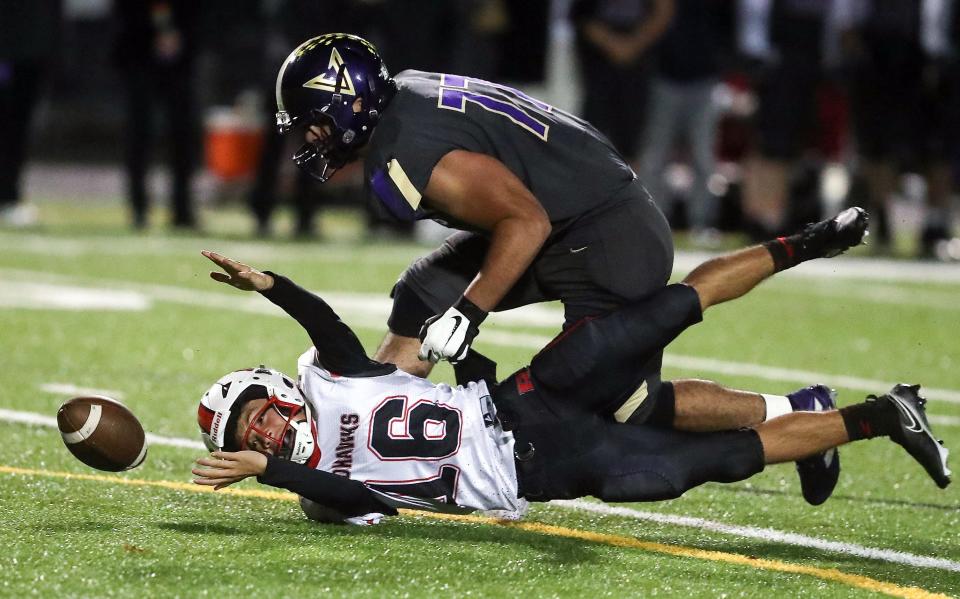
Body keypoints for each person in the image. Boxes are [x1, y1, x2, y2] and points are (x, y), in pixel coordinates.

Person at [191, 221, 951, 525]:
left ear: (275, 390)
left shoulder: (332, 379)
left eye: (255, 411)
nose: (262, 427)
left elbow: (323, 325)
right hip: (544, 467)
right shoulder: (315, 496)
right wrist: (271, 471)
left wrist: (272, 286)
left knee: (664, 310)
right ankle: (885, 415)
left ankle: (810, 240)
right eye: (247, 432)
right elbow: (354, 493)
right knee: (714, 460)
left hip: (525, 398)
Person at [112, 0, 200, 230]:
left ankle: (182, 209)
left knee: (182, 134)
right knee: (139, 134)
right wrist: (150, 34)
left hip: (180, 59)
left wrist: (181, 35)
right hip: (138, 55)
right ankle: (138, 207)